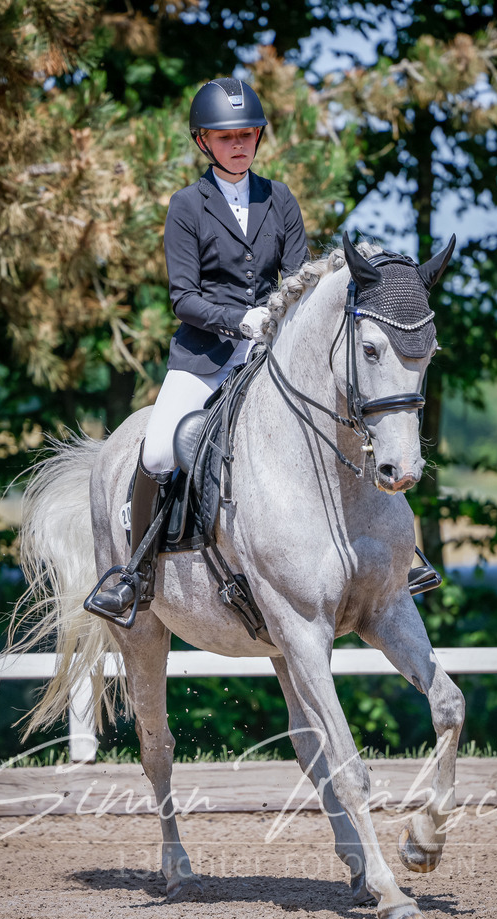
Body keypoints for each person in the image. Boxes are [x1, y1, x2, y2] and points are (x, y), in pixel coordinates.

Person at [86, 78, 308, 621]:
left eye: (248, 134)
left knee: (344, 416)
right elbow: (184, 299)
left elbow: (300, 280)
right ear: (204, 141)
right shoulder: (186, 205)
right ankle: (133, 574)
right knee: (159, 450)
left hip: (268, 357)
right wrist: (241, 320)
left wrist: (279, 323)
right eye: (226, 136)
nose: (240, 144)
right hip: (204, 357)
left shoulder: (280, 199)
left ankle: (400, 554)